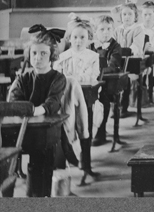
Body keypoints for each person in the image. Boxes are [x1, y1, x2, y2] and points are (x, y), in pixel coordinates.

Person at [8, 24, 67, 197]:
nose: (38, 58)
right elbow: (13, 99)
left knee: (42, 163)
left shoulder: (58, 78)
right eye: (34, 53)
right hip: (23, 128)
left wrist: (32, 110)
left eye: (43, 54)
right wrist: (25, 110)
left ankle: (40, 198)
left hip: (46, 129)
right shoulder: (23, 78)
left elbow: (53, 102)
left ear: (52, 56)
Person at [54, 16, 99, 183]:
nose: (78, 41)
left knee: (85, 129)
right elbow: (58, 79)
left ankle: (86, 165)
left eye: (83, 37)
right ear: (69, 38)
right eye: (75, 37)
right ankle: (66, 162)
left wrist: (75, 78)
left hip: (88, 98)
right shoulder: (62, 57)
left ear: (89, 39)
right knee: (66, 127)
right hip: (65, 101)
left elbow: (92, 77)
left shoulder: (93, 56)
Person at [90, 15, 123, 146]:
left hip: (108, 84)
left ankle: (101, 131)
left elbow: (113, 65)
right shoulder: (91, 45)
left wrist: (98, 72)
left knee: (104, 100)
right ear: (95, 31)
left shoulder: (116, 46)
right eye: (102, 29)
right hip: (91, 82)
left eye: (109, 29)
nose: (106, 32)